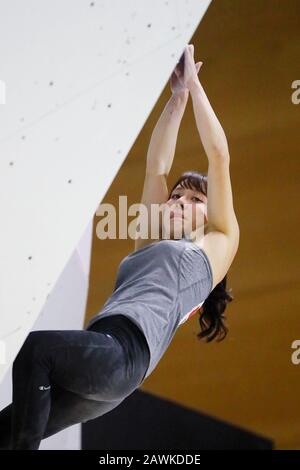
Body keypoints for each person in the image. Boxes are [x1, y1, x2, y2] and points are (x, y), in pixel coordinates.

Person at [0, 44, 239, 450]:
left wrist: (197, 87)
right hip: (105, 366)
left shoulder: (214, 249)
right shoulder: (149, 240)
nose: (180, 201)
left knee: (37, 351)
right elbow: (156, 168)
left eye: (195, 200)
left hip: (123, 354)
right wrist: (177, 98)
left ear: (210, 213)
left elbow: (219, 157)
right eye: (177, 196)